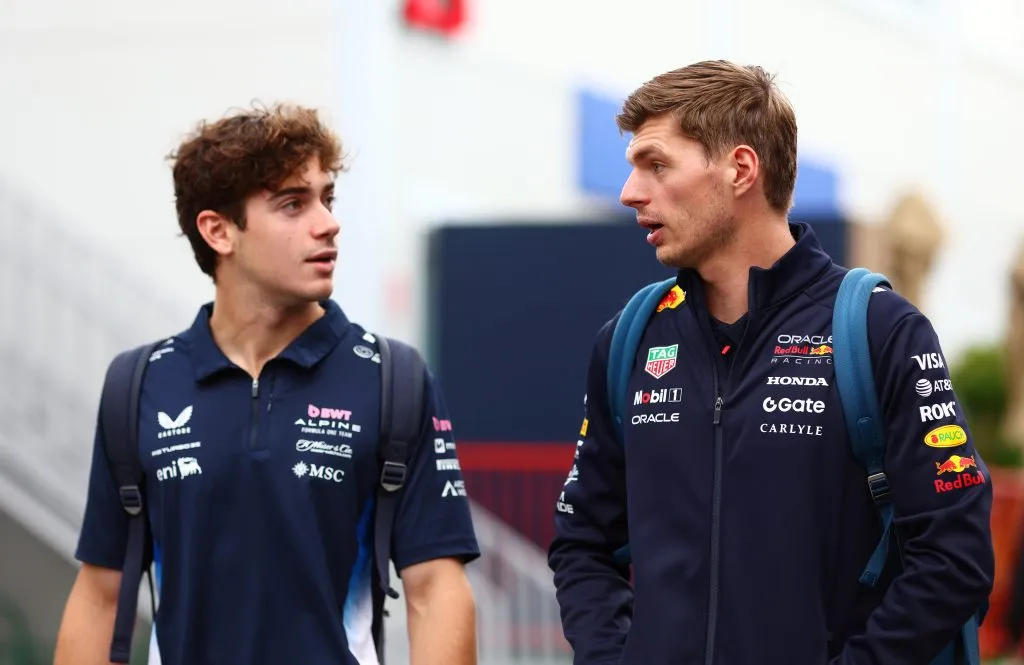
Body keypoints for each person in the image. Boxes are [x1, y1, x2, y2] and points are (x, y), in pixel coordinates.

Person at [548, 60, 994, 665]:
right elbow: (582, 543)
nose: (630, 192)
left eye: (656, 165)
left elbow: (955, 557)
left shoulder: (879, 330)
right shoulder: (631, 338)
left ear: (740, 169)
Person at [53, 103, 480, 665]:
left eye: (327, 198)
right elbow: (99, 595)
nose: (327, 223)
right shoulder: (138, 385)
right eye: (292, 204)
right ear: (219, 231)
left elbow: (435, 591)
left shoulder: (393, 380)